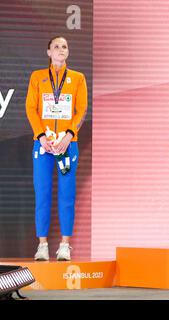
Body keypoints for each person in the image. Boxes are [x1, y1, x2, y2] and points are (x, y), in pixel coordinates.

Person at [26, 36, 88, 261]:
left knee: (67, 195)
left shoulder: (78, 79)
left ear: (68, 53)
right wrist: (41, 136)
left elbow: (81, 110)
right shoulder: (38, 77)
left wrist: (69, 135)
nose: (61, 50)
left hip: (67, 146)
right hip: (43, 145)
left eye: (64, 47)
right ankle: (42, 244)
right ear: (48, 52)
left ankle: (64, 245)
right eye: (56, 46)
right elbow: (31, 108)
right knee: (42, 193)